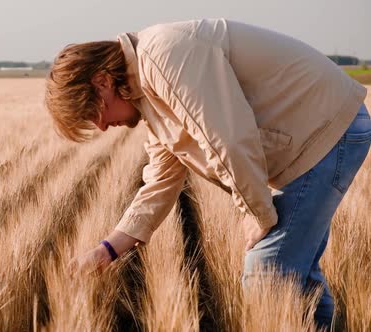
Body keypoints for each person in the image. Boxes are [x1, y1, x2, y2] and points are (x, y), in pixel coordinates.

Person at [44, 18, 369, 330]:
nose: (101, 126)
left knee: (266, 276)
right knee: (297, 278)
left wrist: (255, 212)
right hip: (317, 134)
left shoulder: (165, 56)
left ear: (102, 81)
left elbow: (227, 137)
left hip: (325, 129)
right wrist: (107, 250)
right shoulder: (151, 94)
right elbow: (159, 182)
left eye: (94, 112)